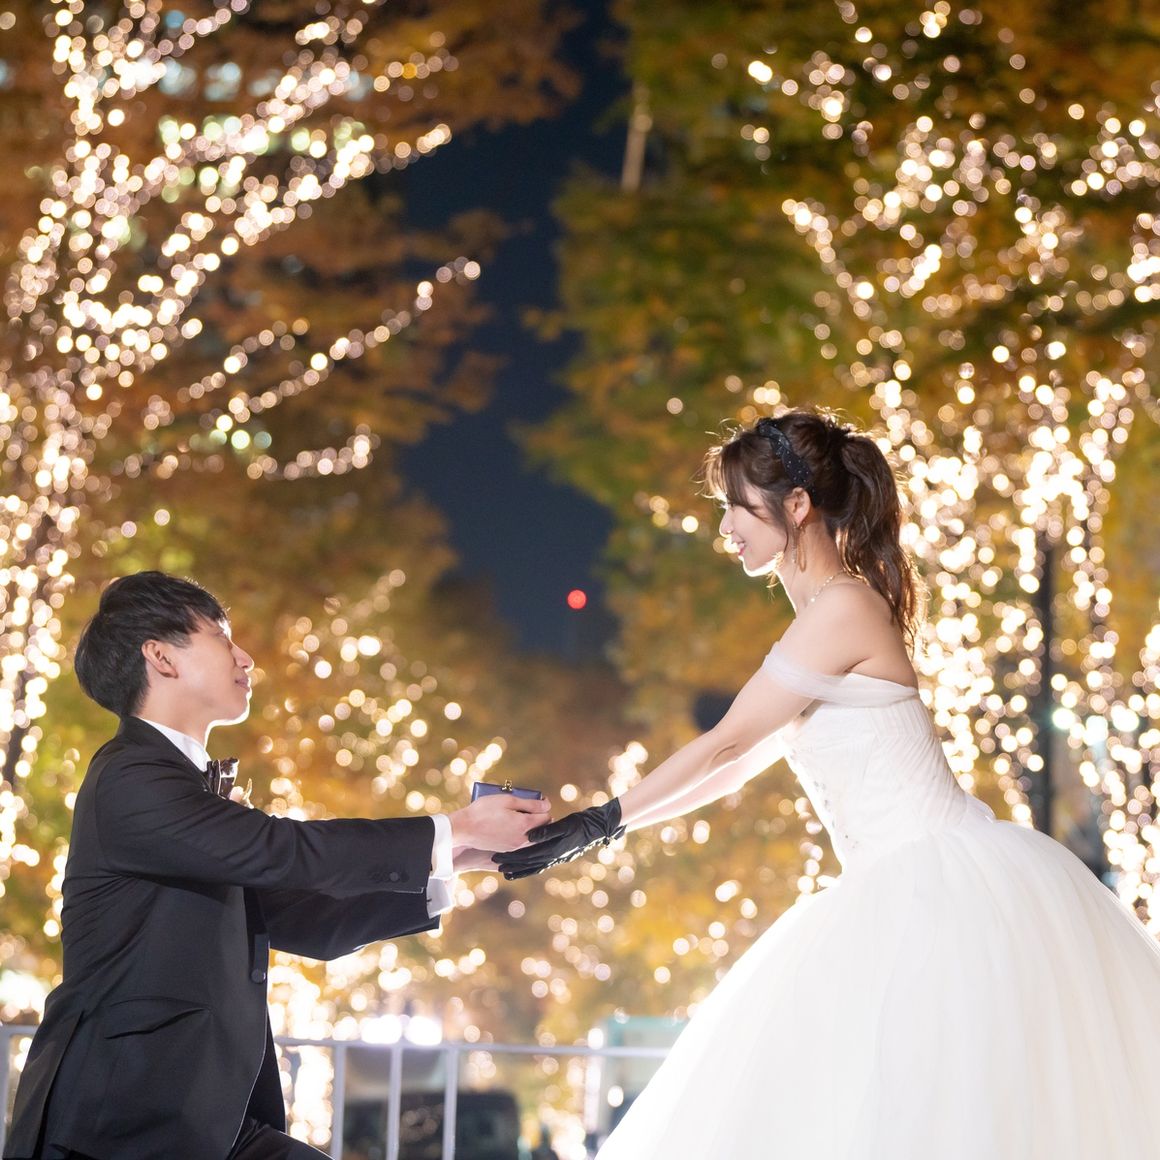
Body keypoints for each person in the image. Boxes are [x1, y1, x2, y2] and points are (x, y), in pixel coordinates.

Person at [498, 409, 1160, 1158]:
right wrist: (604, 827)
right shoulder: (821, 615)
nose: (726, 528)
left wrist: (599, 821)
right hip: (901, 884)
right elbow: (738, 762)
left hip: (934, 889)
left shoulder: (842, 607)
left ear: (797, 506)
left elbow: (727, 742)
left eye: (740, 508)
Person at [5, 571, 549, 1160]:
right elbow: (282, 850)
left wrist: (456, 860)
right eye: (221, 636)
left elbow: (308, 922)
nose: (245, 657)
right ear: (161, 657)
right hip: (118, 1123)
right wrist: (452, 827)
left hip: (200, 1120)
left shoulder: (179, 787)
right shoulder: (128, 776)